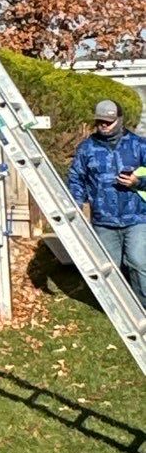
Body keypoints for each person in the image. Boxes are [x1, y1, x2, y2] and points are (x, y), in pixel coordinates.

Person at [66, 98, 146, 305]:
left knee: (138, 261)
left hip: (137, 217)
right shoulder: (87, 148)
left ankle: (143, 306)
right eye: (100, 121)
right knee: (110, 267)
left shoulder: (139, 145)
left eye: (108, 122)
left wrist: (138, 182)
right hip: (103, 220)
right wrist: (76, 204)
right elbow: (76, 178)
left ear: (120, 120)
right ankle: (117, 308)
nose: (103, 125)